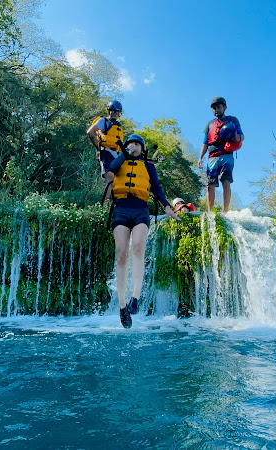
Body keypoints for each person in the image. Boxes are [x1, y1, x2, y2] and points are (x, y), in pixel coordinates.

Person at [109, 134, 179, 328]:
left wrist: (167, 207)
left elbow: (156, 188)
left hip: (140, 210)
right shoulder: (119, 161)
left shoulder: (148, 167)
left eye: (138, 144)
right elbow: (111, 170)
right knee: (121, 254)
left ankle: (135, 298)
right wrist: (124, 154)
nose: (134, 146)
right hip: (121, 209)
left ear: (143, 149)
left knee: (138, 248)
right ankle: (122, 307)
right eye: (131, 143)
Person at [197, 96, 244, 213]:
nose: (216, 110)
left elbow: (241, 136)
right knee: (210, 184)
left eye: (218, 107)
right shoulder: (209, 124)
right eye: (214, 108)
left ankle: (225, 211)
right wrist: (200, 158)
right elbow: (205, 142)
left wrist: (236, 137)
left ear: (224, 107)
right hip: (212, 156)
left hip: (226, 154)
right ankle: (210, 212)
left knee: (226, 181)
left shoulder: (232, 120)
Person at [86, 100, 125, 196]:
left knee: (120, 179)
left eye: (117, 112)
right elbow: (90, 133)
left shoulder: (119, 126)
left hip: (116, 154)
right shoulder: (103, 121)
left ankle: (115, 204)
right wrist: (98, 148)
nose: (115, 113)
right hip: (105, 152)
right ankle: (104, 206)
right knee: (110, 177)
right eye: (113, 111)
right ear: (109, 111)